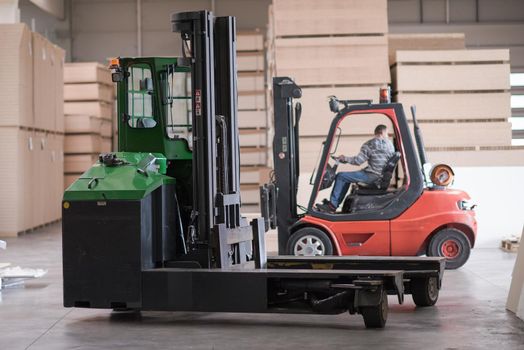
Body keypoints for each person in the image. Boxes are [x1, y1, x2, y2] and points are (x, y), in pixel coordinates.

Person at [316, 124, 395, 213]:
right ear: (383, 132)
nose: (387, 136)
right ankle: (335, 203)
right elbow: (381, 162)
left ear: (379, 132)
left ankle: (332, 206)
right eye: (387, 134)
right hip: (380, 176)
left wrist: (344, 158)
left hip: (372, 176)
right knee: (347, 177)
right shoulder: (390, 145)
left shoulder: (370, 144)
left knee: (341, 176)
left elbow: (358, 161)